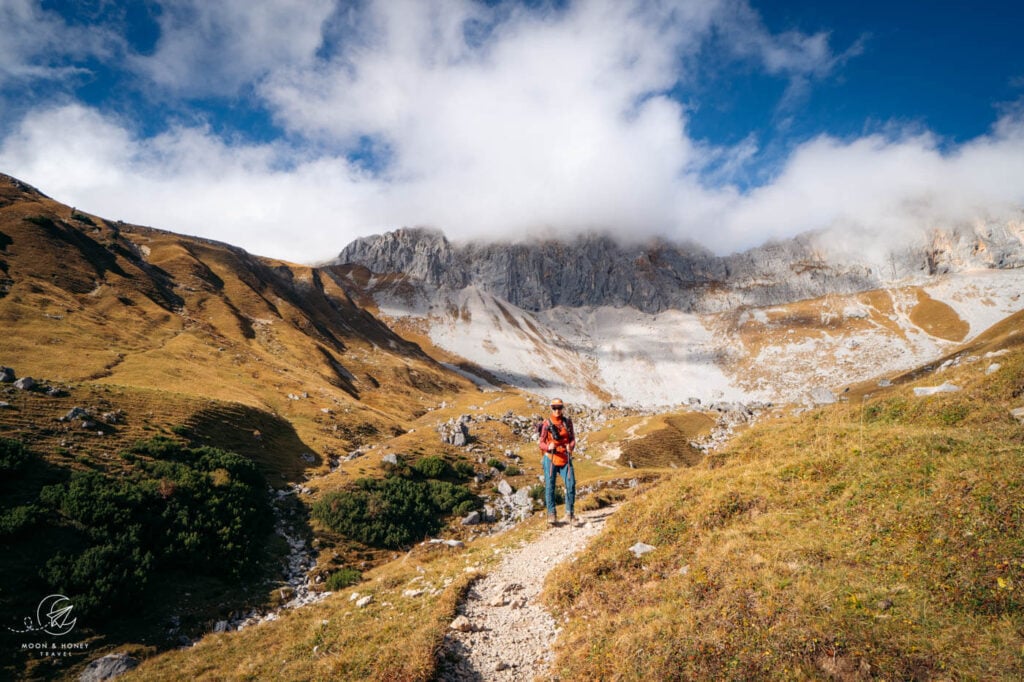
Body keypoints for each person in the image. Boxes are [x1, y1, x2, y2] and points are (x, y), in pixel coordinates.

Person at [538, 397, 577, 526]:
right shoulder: (546, 424)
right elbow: (541, 443)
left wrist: (570, 447)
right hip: (550, 458)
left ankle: (569, 513)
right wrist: (548, 447)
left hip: (565, 458)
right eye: (554, 408)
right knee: (550, 486)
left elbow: (572, 439)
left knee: (570, 484)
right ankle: (551, 514)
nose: (557, 410)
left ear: (562, 408)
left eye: (559, 407)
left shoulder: (567, 422)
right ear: (551, 408)